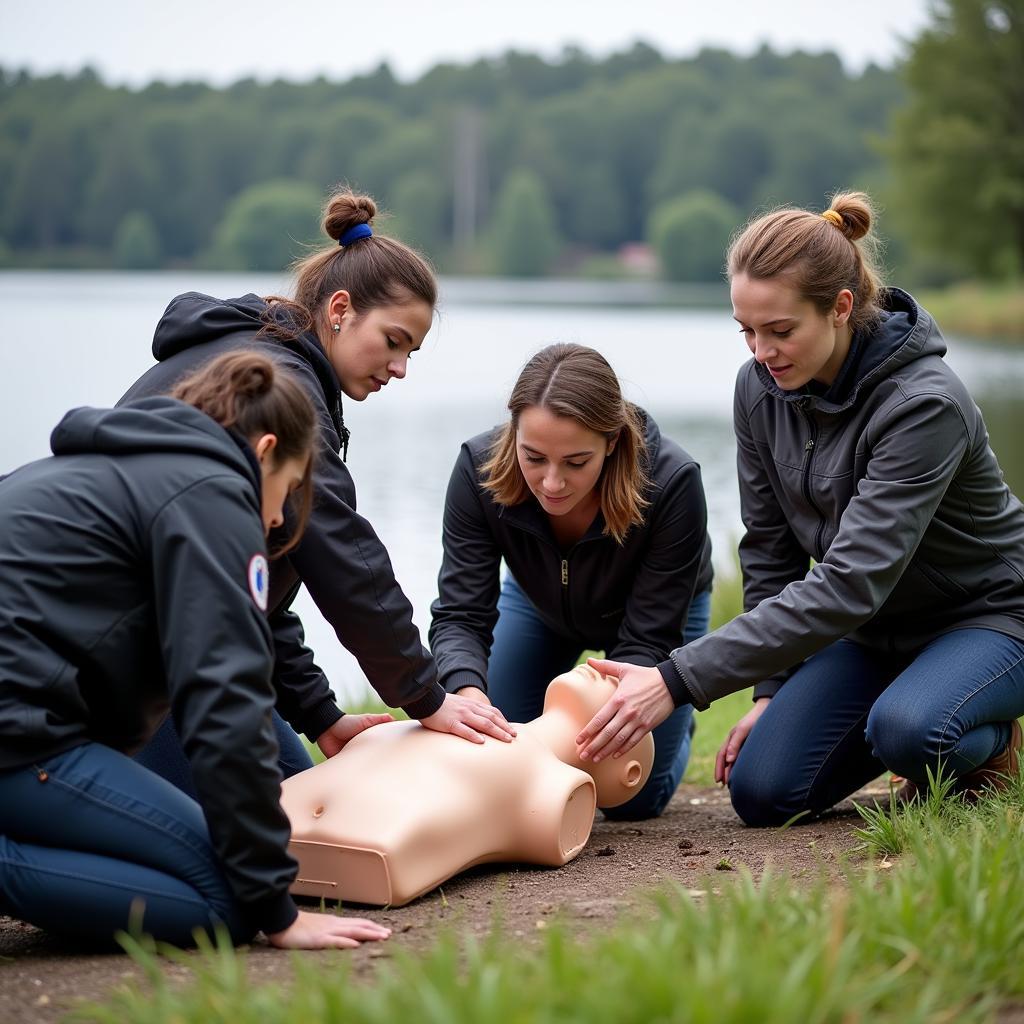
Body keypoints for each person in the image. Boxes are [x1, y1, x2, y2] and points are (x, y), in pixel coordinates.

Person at [577, 191, 1024, 826]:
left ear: (841, 308)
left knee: (908, 731)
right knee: (764, 792)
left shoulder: (925, 405)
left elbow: (847, 585)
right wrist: (773, 687)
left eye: (781, 330)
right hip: (876, 634)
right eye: (747, 330)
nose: (761, 351)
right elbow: (770, 549)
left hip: (990, 617)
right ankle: (922, 711)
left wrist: (675, 679)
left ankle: (992, 742)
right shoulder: (760, 389)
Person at [119, 188, 513, 797]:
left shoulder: (264, 355)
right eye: (394, 340)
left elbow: (252, 578)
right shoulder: (283, 388)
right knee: (233, 848)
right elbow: (346, 561)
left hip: (188, 631)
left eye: (412, 351)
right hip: (133, 650)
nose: (401, 367)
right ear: (339, 309)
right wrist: (425, 694)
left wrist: (321, 717)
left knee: (302, 802)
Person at [0, 352, 392, 949]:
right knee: (232, 905)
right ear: (263, 453)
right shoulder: (213, 495)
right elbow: (226, 706)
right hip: (20, 742)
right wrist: (278, 910)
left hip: (31, 730)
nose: (277, 516)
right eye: (286, 488)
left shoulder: (119, 469)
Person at [429, 343, 713, 819]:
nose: (552, 483)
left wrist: (645, 700)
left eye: (576, 462)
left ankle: (677, 724)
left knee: (630, 798)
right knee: (497, 756)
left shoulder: (673, 481)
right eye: (534, 457)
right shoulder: (476, 469)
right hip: (539, 604)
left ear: (612, 442)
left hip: (657, 623)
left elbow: (649, 636)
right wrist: (465, 692)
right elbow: (460, 614)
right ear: (513, 429)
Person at [280, 664, 655, 907]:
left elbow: (548, 833)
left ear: (628, 773)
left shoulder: (554, 781)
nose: (602, 672)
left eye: (614, 688)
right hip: (284, 815)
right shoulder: (456, 718)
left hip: (356, 839)